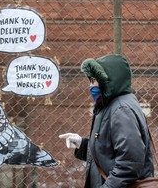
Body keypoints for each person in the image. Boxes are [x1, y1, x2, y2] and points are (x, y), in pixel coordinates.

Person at [59, 54, 154, 188]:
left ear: (108, 81)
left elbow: (130, 163)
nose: (91, 86)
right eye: (90, 80)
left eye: (94, 81)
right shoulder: (111, 105)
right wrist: (83, 144)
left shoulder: (121, 110)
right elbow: (109, 153)